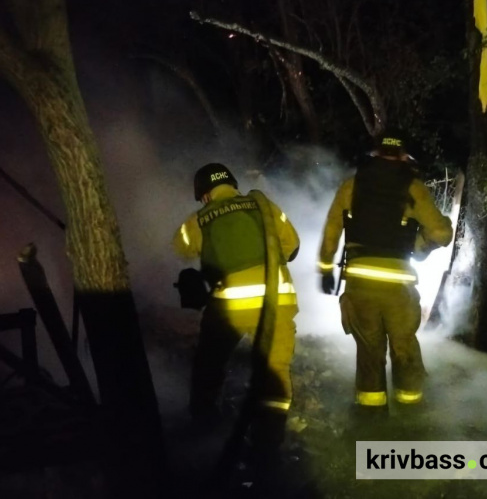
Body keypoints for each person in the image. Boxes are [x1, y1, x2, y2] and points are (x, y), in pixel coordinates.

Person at [317, 132, 453, 412]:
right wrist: (420, 246)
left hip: (359, 284)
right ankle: (411, 412)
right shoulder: (413, 188)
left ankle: (370, 415)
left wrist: (326, 268)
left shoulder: (352, 185)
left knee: (369, 351)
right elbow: (441, 233)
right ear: (403, 155)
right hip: (399, 288)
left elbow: (332, 231)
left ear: (376, 153)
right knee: (404, 347)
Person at [172, 163, 300, 430]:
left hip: (229, 308)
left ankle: (205, 426)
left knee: (209, 363)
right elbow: (292, 244)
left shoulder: (199, 219)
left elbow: (181, 248)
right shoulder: (264, 207)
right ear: (232, 185)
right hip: (276, 301)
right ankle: (269, 438)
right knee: (275, 370)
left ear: (205, 194)